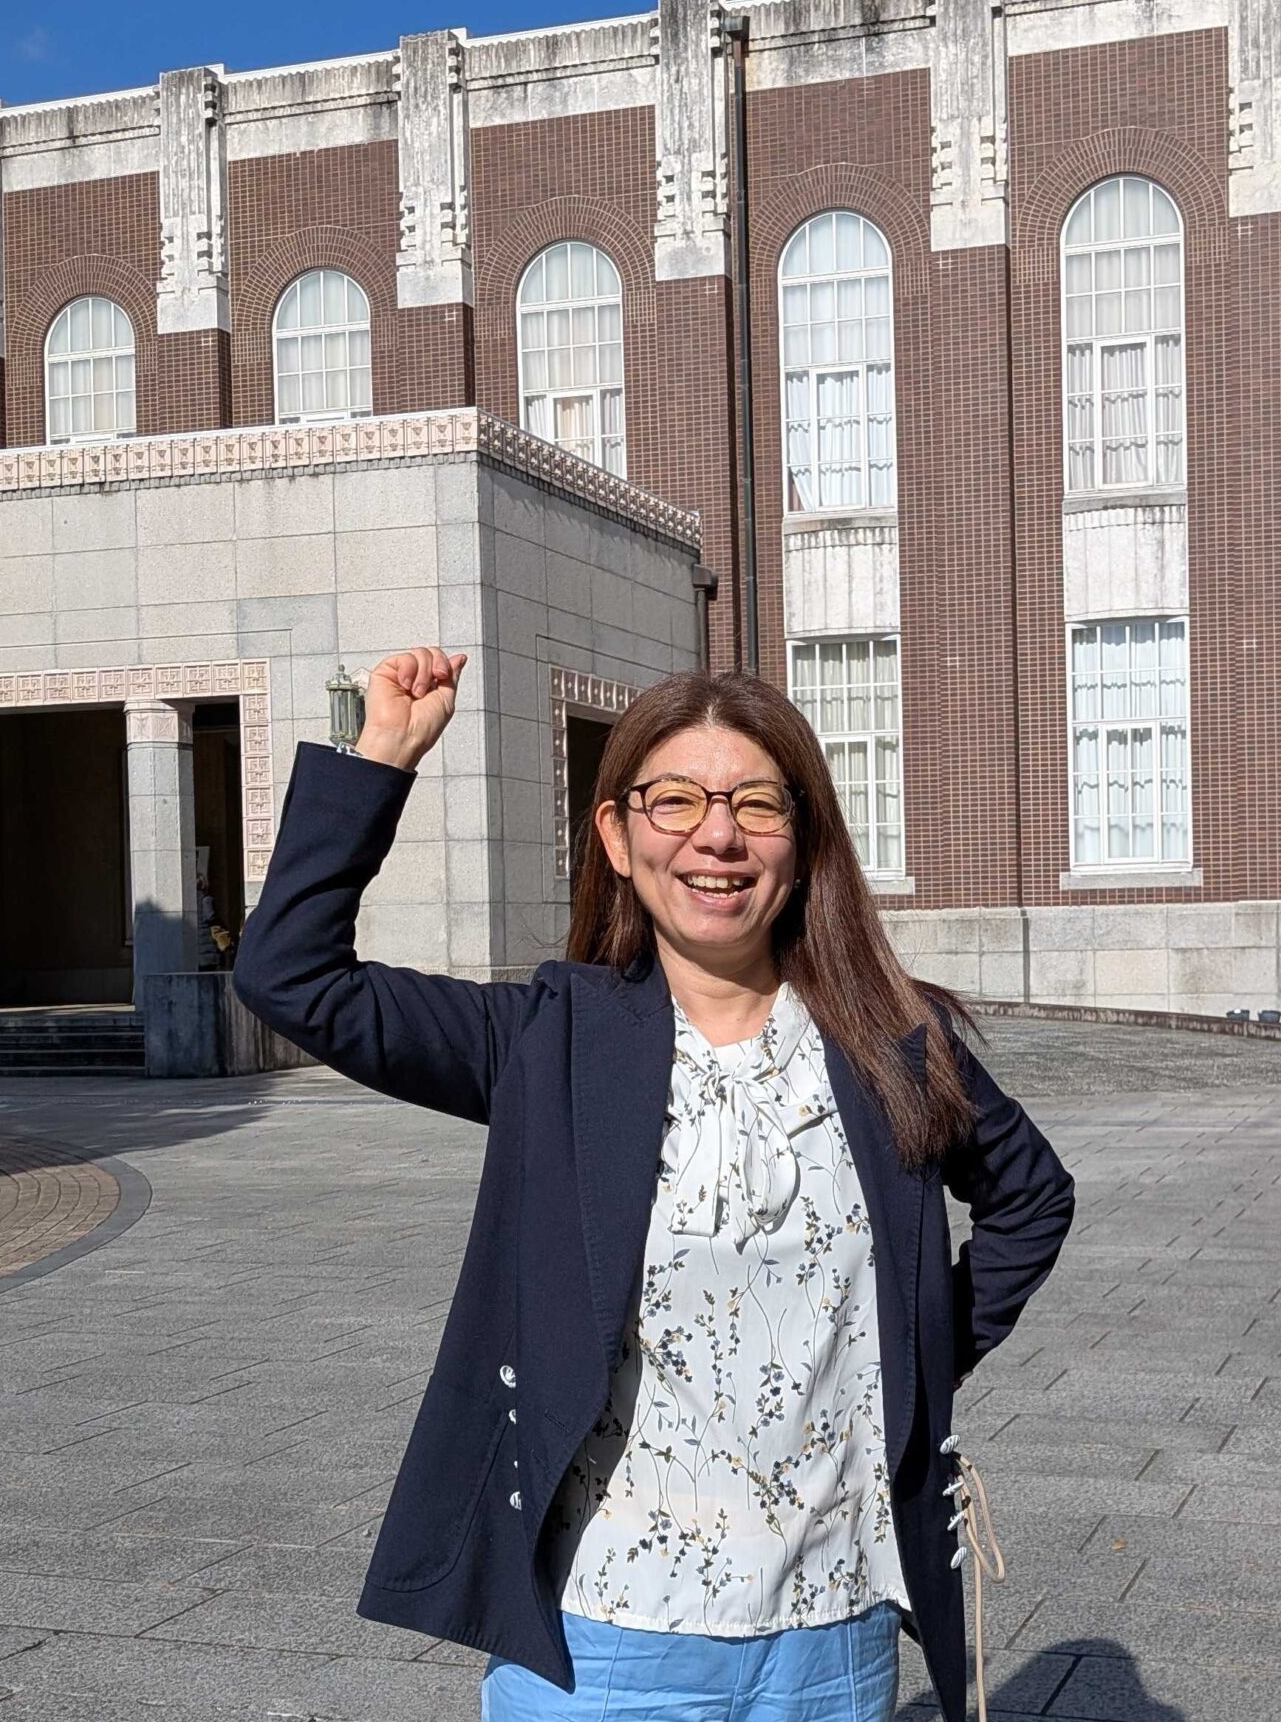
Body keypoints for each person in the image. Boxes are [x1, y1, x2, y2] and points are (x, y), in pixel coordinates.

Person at [233, 650, 1075, 1722]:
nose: (715, 835)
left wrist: (916, 1359)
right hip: (603, 1639)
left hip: (835, 1637)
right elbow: (290, 976)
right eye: (673, 801)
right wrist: (382, 756)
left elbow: (1031, 1198)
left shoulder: (894, 1044)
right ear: (618, 839)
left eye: (756, 804)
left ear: (805, 840)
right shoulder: (550, 1036)